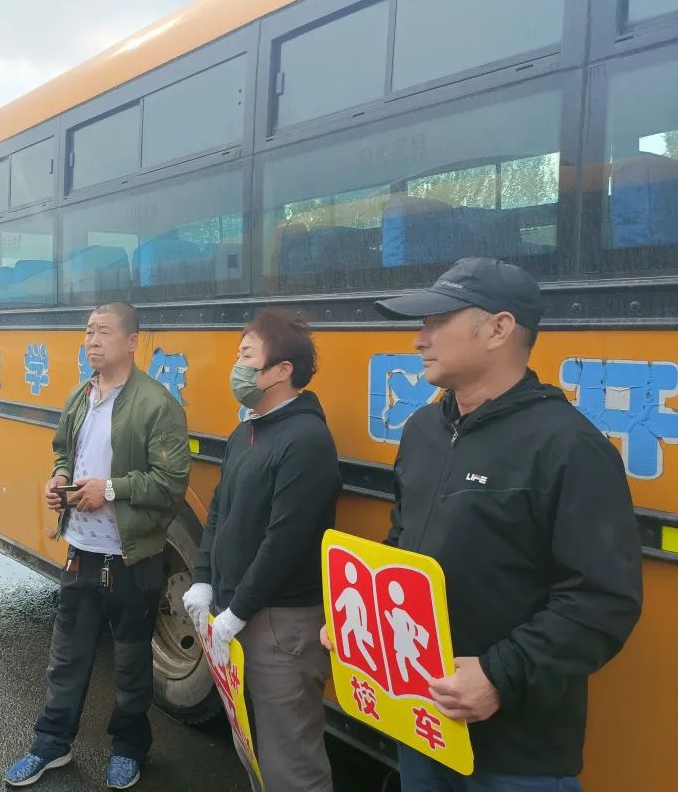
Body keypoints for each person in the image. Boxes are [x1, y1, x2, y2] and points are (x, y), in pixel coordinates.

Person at [322, 257, 642, 791]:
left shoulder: (568, 447)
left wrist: (498, 675)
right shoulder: (423, 429)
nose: (419, 339)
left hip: (516, 753)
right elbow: (404, 544)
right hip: (424, 723)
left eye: (435, 322)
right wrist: (365, 626)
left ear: (498, 329)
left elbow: (603, 601)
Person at [4, 302, 191, 790]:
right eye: (88, 332)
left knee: (131, 664)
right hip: (80, 551)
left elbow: (172, 483)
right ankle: (51, 745)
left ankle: (130, 748)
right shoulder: (81, 395)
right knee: (67, 656)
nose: (91, 340)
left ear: (132, 342)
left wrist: (109, 489)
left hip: (132, 559)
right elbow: (63, 448)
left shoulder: (157, 403)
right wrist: (60, 478)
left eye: (103, 332)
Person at [182, 308, 341, 792]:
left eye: (247, 355)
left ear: (281, 370)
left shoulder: (306, 439)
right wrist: (204, 577)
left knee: (290, 761)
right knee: (251, 746)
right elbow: (219, 511)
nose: (238, 365)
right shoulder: (246, 430)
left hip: (281, 625)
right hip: (236, 608)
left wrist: (238, 612)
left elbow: (286, 542)